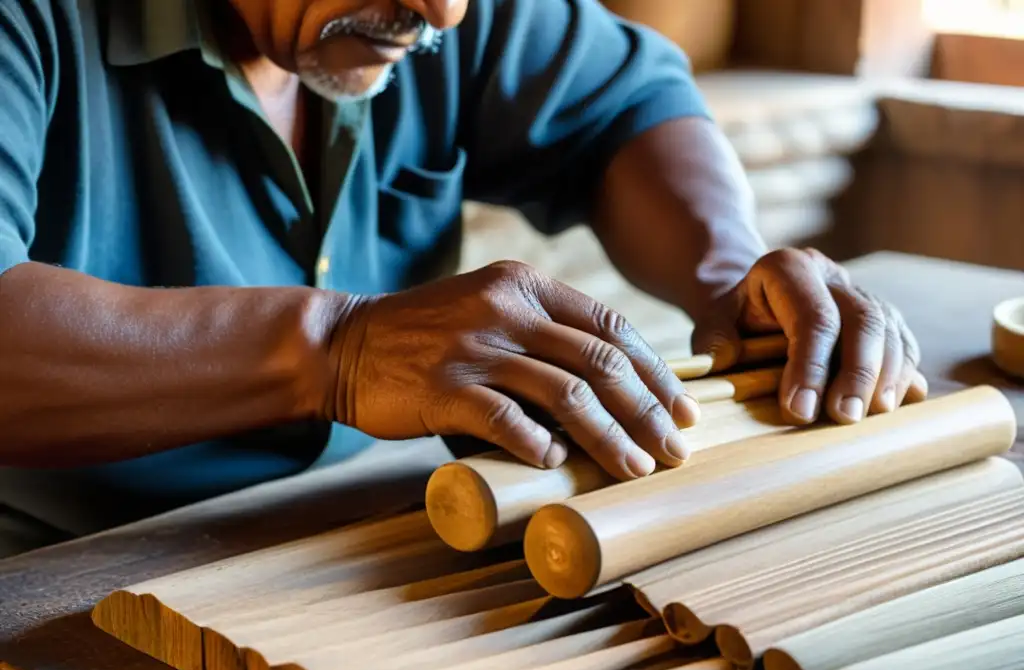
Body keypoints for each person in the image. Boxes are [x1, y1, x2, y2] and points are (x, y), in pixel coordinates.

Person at [0, 0, 927, 560]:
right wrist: (338, 349)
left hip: (344, 534)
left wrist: (727, 273)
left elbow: (626, 105)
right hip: (48, 568)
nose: (441, 14)